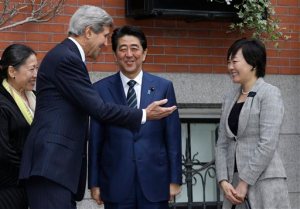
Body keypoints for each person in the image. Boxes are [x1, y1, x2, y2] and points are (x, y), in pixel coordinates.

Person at [19, 5, 176, 209]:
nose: (104, 42)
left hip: (55, 168)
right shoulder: (67, 58)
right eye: (104, 35)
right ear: (88, 31)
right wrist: (144, 114)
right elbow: (99, 109)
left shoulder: (66, 56)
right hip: (51, 166)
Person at [88, 25, 182, 209]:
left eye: (134, 48)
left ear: (144, 53)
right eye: (123, 49)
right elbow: (95, 140)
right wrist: (94, 183)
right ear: (115, 55)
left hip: (155, 182)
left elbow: (172, 137)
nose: (129, 54)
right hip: (115, 183)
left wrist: (174, 179)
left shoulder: (163, 87)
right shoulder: (100, 90)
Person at [215, 38, 291, 209]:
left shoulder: (269, 94)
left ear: (253, 63)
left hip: (264, 183)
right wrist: (223, 181)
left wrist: (245, 182)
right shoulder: (229, 98)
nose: (230, 68)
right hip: (233, 188)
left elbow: (267, 144)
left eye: (234, 61)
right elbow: (222, 143)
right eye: (228, 62)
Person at [0, 44, 38, 209]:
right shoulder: (2, 103)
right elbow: (3, 151)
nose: (35, 74)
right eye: (31, 69)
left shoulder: (35, 97)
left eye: (36, 68)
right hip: (8, 187)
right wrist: (29, 168)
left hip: (29, 184)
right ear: (12, 71)